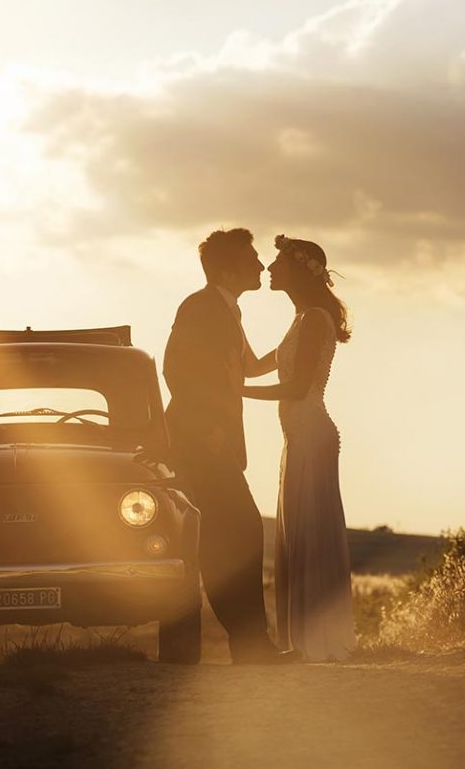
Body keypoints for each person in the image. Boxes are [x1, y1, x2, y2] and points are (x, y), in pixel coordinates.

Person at [162, 228, 294, 665]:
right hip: (200, 445)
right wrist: (207, 431)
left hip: (215, 446)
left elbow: (250, 367)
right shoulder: (199, 308)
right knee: (235, 534)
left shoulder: (228, 311)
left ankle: (251, 645)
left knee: (232, 537)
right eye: (252, 258)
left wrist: (297, 342)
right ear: (226, 267)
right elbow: (176, 371)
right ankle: (252, 645)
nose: (260, 266)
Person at [244, 235, 356, 662]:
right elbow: (254, 366)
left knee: (311, 535)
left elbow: (292, 386)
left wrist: (233, 391)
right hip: (298, 437)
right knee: (302, 536)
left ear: (299, 271)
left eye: (278, 264)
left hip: (311, 435)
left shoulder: (312, 321)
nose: (270, 270)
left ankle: (317, 642)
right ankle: (307, 641)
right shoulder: (301, 320)